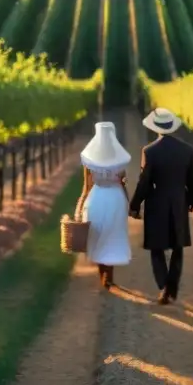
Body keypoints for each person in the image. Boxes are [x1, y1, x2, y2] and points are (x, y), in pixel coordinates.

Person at [129, 108, 193, 305]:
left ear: (155, 128)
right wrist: (192, 200)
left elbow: (144, 183)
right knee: (178, 246)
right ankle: (173, 287)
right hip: (179, 201)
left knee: (156, 247)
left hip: (156, 203)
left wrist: (134, 206)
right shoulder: (187, 150)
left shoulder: (149, 151)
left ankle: (163, 286)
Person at [78, 122, 132, 289]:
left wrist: (80, 205)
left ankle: (103, 273)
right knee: (112, 235)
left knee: (99, 235)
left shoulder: (89, 160)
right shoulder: (120, 160)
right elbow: (123, 183)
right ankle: (109, 276)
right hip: (115, 198)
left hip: (97, 198)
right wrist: (127, 202)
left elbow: (86, 186)